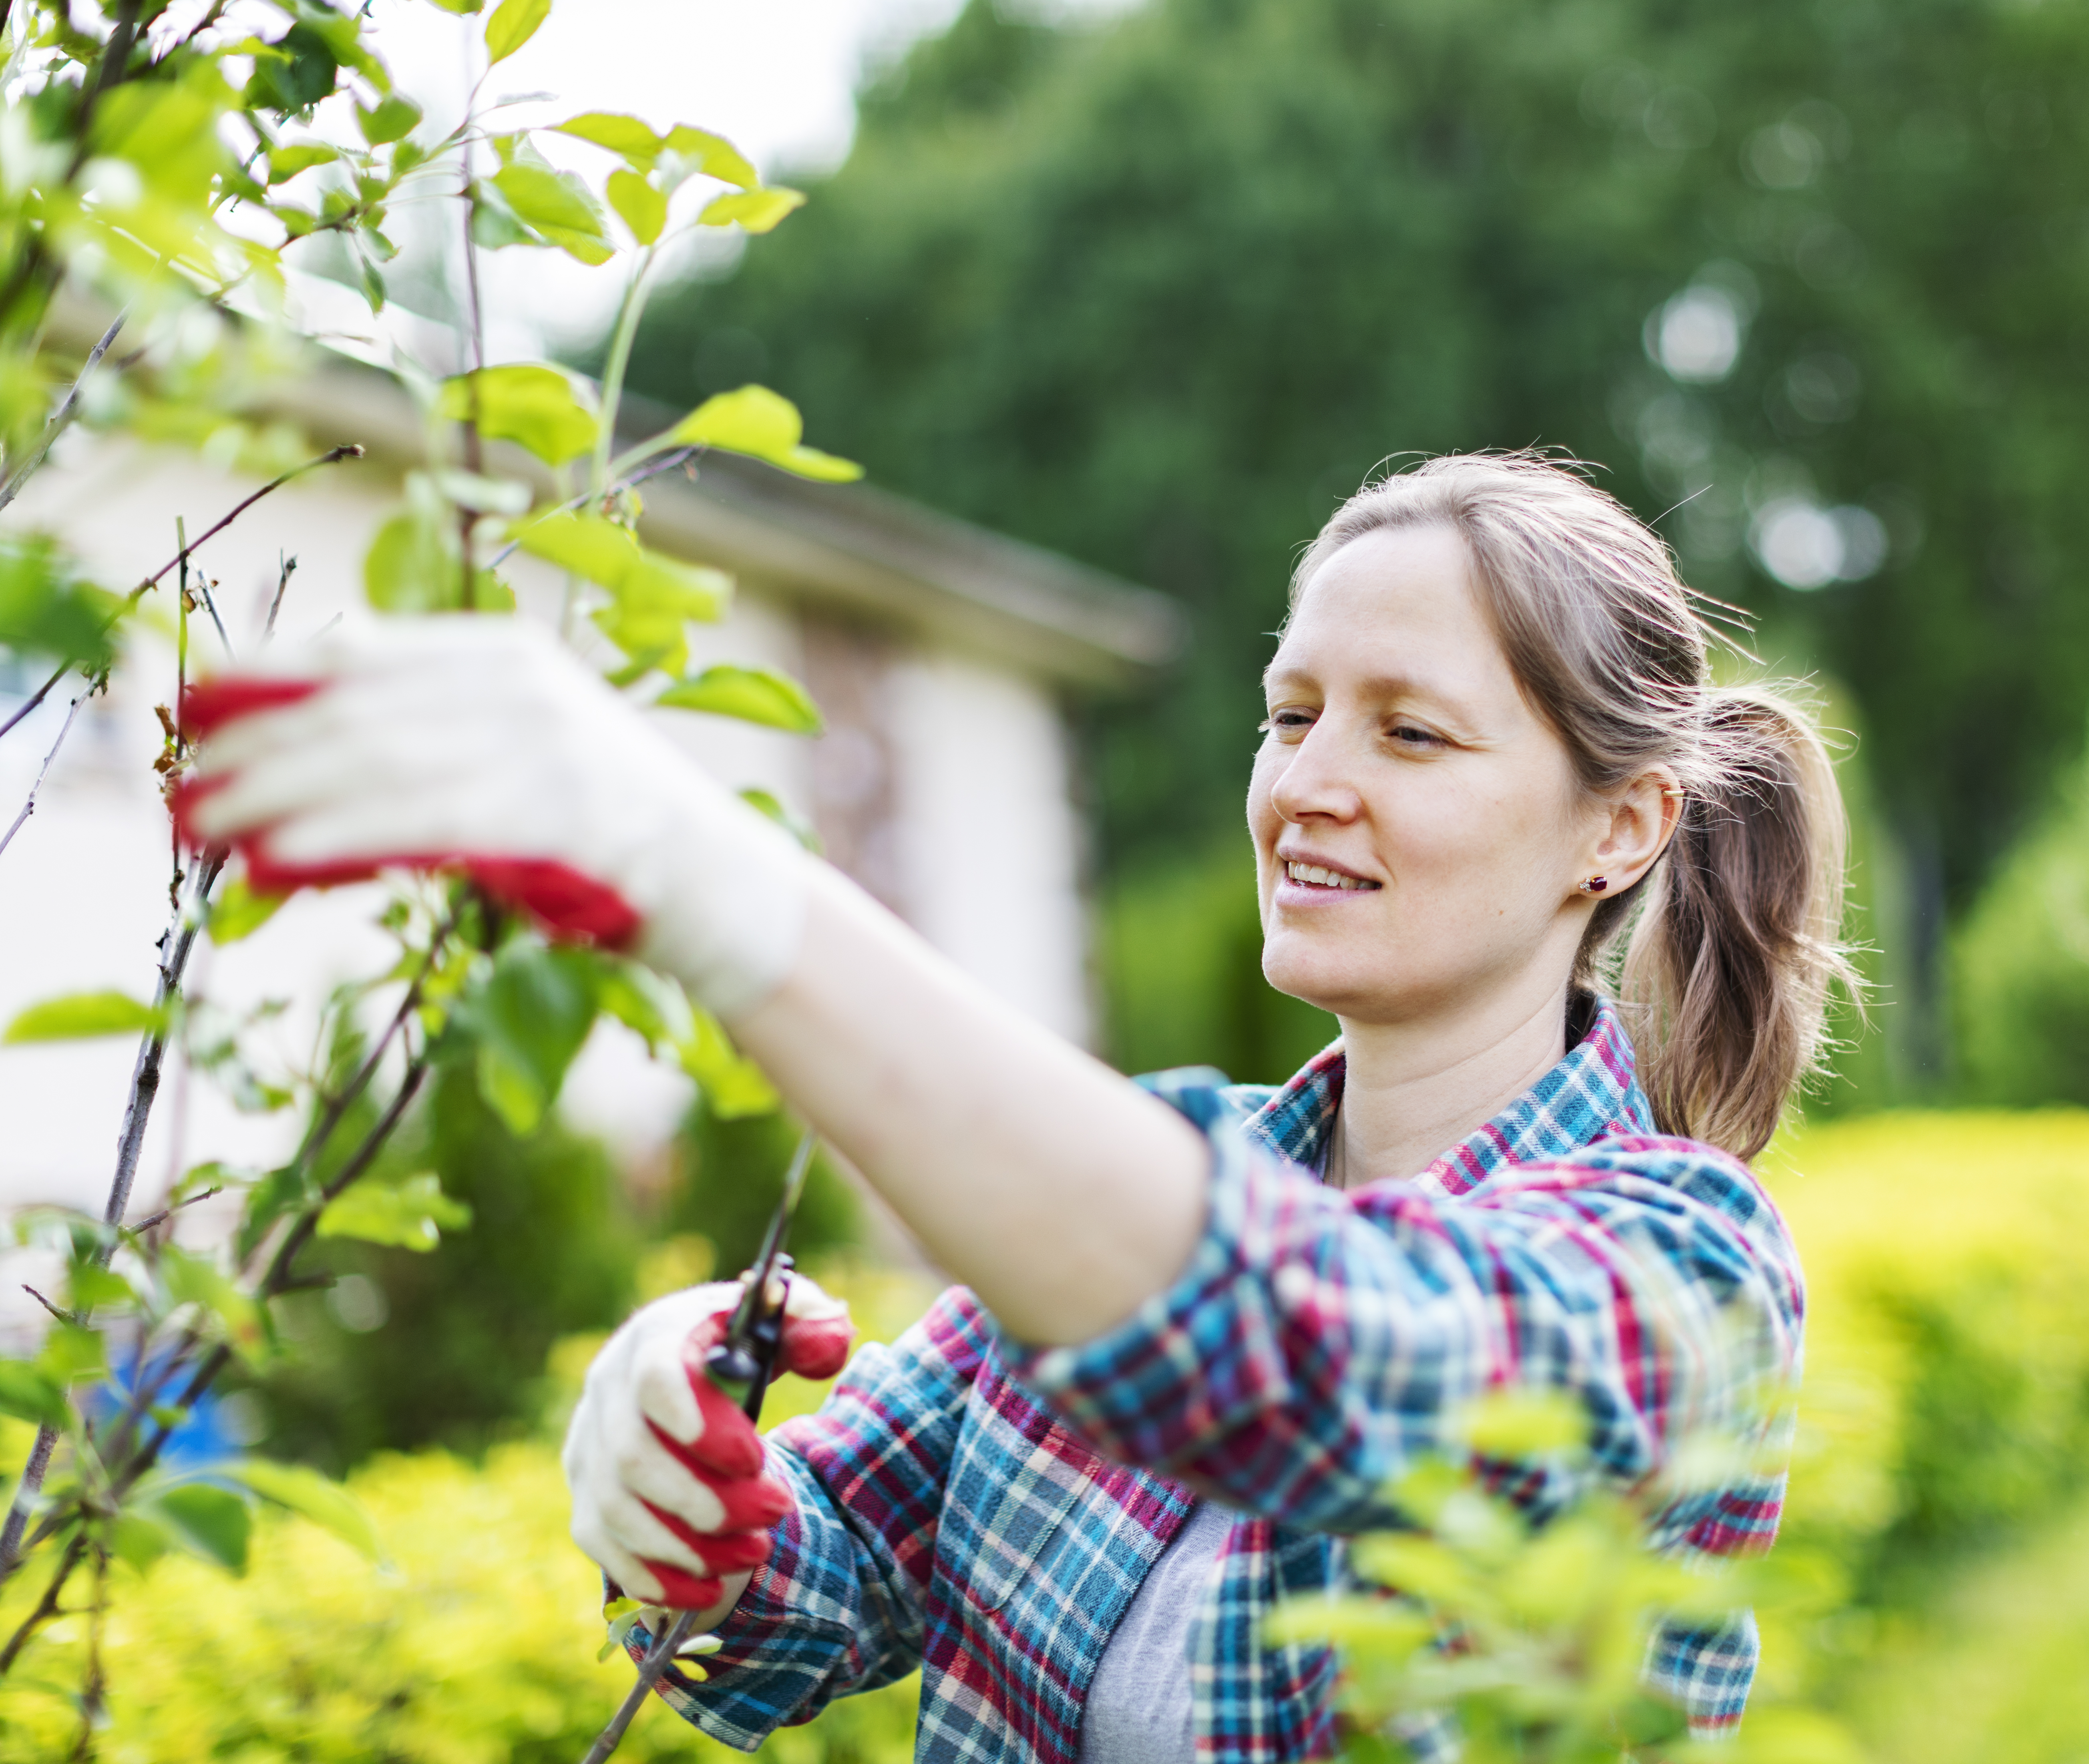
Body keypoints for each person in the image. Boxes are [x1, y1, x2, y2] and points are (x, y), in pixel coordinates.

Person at [184, 452, 1851, 1762]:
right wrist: (681, 1492)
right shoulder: (1123, 1194)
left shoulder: (1683, 1259)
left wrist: (701, 867)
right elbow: (809, 1604)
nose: (1308, 783)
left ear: (1617, 830)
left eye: (1412, 732)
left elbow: (1309, 1354)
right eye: (1292, 713)